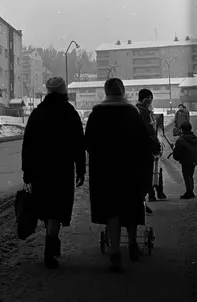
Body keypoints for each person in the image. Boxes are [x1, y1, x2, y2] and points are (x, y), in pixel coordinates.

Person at [85, 78, 156, 272]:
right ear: (123, 91)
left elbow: (88, 143)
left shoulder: (97, 114)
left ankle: (115, 253)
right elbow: (144, 142)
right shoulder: (132, 113)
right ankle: (133, 245)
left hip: (105, 171)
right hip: (131, 169)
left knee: (112, 211)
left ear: (106, 92)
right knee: (131, 206)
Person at [21, 76, 86, 269]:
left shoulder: (38, 113)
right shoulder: (70, 113)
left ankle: (51, 243)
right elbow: (78, 143)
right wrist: (80, 168)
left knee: (46, 206)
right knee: (57, 209)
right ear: (64, 91)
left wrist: (27, 171)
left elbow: (28, 145)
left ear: (48, 92)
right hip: (62, 169)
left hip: (40, 169)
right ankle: (50, 249)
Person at [135, 89, 166, 203]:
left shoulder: (148, 111)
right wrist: (153, 142)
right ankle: (151, 194)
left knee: (156, 169)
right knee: (149, 171)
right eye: (148, 98)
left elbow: (153, 128)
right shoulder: (139, 111)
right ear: (142, 99)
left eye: (151, 98)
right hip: (146, 146)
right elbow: (146, 131)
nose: (150, 100)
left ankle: (158, 192)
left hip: (152, 144)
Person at [172, 121, 197, 199]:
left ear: (182, 129)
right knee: (190, 175)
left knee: (187, 176)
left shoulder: (181, 139)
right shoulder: (195, 138)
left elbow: (176, 152)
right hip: (194, 160)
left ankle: (189, 192)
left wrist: (177, 157)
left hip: (186, 160)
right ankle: (190, 191)